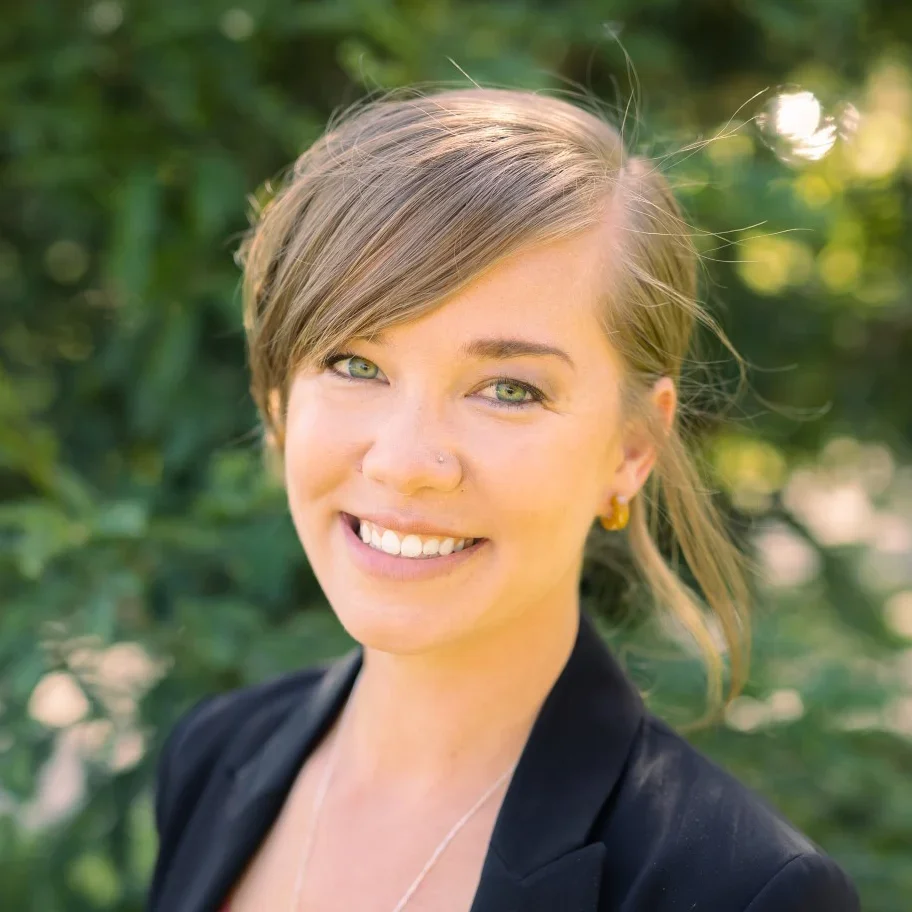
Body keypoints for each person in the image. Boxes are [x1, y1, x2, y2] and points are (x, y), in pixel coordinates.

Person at [147, 86, 861, 912]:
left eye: (509, 389)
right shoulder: (214, 756)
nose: (407, 462)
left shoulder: (737, 891)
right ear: (279, 394)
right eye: (354, 364)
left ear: (632, 448)